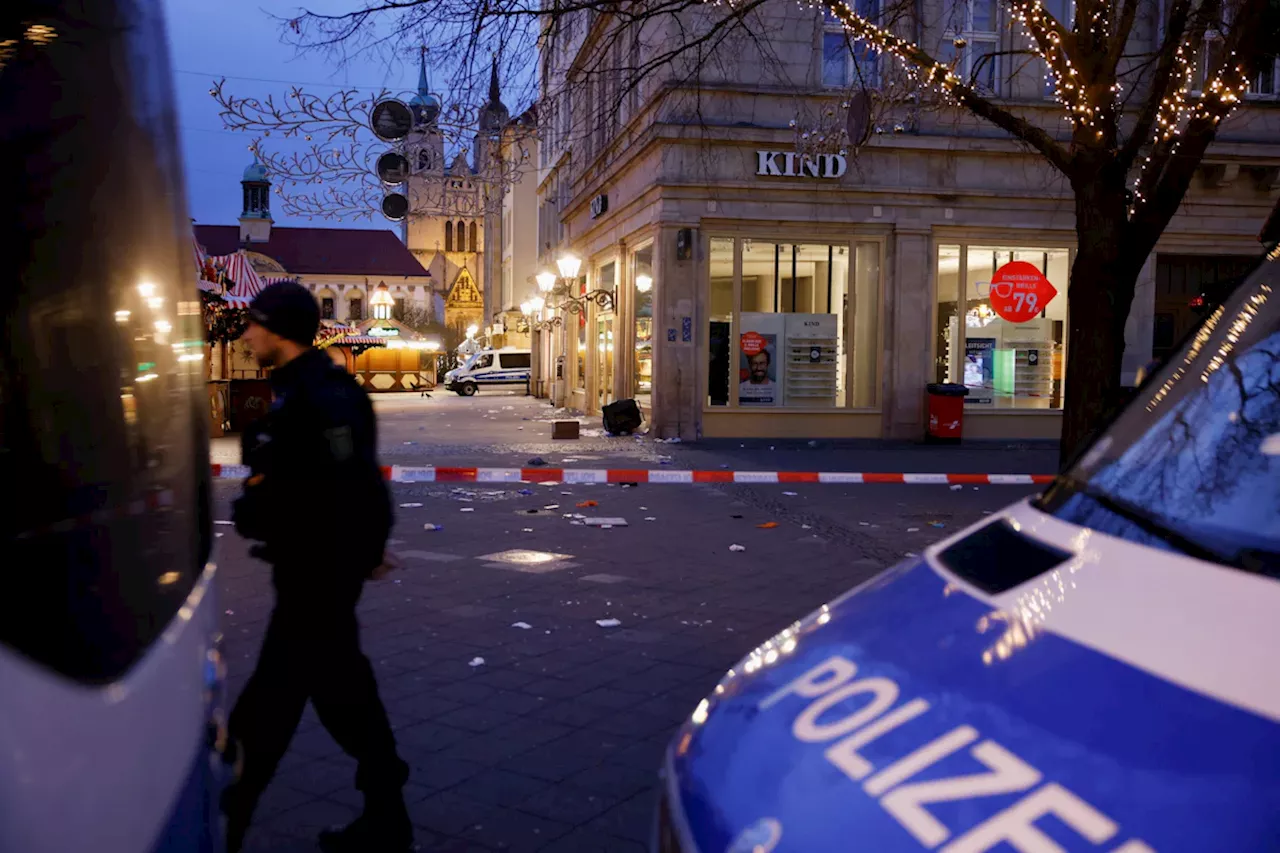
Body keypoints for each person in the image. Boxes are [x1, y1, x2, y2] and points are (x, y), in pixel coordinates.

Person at [223, 281, 412, 853]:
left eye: (254, 324)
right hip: (311, 569)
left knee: (273, 704)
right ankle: (387, 817)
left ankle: (229, 812)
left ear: (278, 328)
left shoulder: (321, 395)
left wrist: (364, 545)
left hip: (318, 571)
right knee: (341, 693)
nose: (247, 334)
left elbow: (348, 478)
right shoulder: (299, 390)